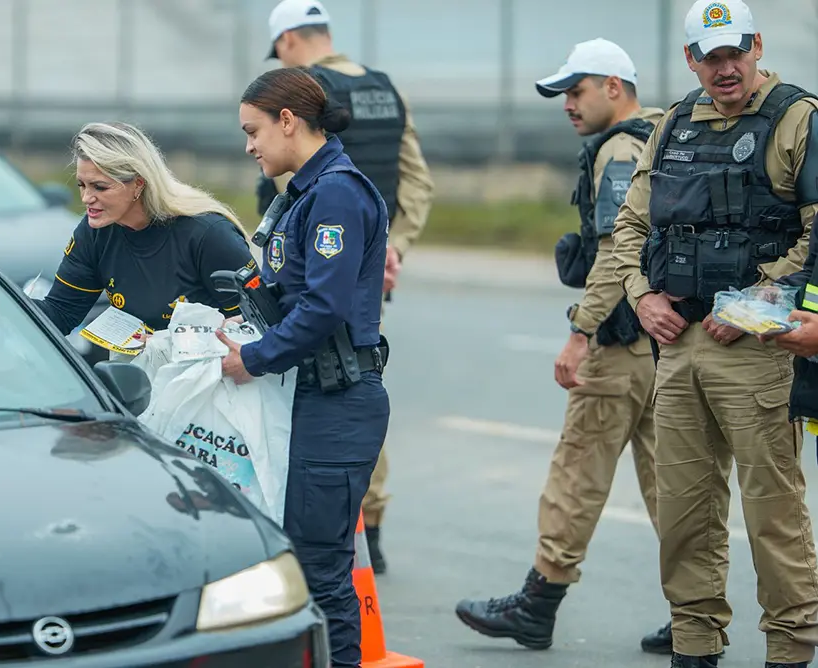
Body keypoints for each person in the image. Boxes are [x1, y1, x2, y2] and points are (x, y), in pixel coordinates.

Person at [610, 1, 818, 665]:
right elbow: (630, 229)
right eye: (711, 56)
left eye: (735, 52)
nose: (725, 68)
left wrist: (756, 303)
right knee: (684, 510)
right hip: (677, 346)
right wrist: (642, 300)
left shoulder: (796, 117)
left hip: (757, 348)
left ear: (756, 46)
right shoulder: (672, 123)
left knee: (772, 511)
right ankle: (695, 642)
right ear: (691, 59)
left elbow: (816, 233)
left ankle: (790, 646)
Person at [453, 37, 671, 653]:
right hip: (664, 344)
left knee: (577, 472)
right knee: (673, 483)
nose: (568, 105)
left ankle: (537, 604)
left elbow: (616, 250)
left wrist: (580, 332)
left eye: (576, 91)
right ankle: (695, 611)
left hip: (622, 342)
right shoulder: (661, 137)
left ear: (613, 86)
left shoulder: (621, 152)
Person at [214, 66, 391, 668]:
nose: (249, 146)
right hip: (312, 395)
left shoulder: (337, 192)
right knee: (301, 561)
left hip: (338, 400)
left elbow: (323, 304)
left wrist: (253, 360)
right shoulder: (306, 193)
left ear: (287, 121)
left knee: (320, 569)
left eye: (253, 130)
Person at [258, 0, 435, 574]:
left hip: (317, 266)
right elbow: (417, 181)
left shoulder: (294, 96)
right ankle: (370, 527)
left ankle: (343, 533)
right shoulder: (386, 88)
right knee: (353, 368)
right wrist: (392, 247)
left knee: (327, 381)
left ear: (286, 42)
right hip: (367, 262)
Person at [33, 122, 256, 340]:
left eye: (100, 187)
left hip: (215, 372)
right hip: (140, 371)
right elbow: (60, 314)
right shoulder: (94, 231)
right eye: (82, 185)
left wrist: (176, 342)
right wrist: (3, 309)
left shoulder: (209, 234)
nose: (86, 198)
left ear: (138, 184)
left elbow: (259, 321)